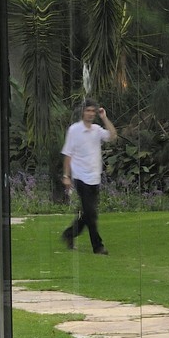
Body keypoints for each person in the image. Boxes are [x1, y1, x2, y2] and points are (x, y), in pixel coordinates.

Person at [61, 100, 117, 254]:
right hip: (80, 177)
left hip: (94, 177)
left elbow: (112, 136)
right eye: (88, 110)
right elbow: (68, 153)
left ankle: (69, 234)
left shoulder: (97, 130)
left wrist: (104, 118)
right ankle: (98, 246)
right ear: (83, 112)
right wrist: (66, 175)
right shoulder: (74, 130)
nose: (91, 114)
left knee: (88, 213)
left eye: (93, 111)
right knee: (91, 214)